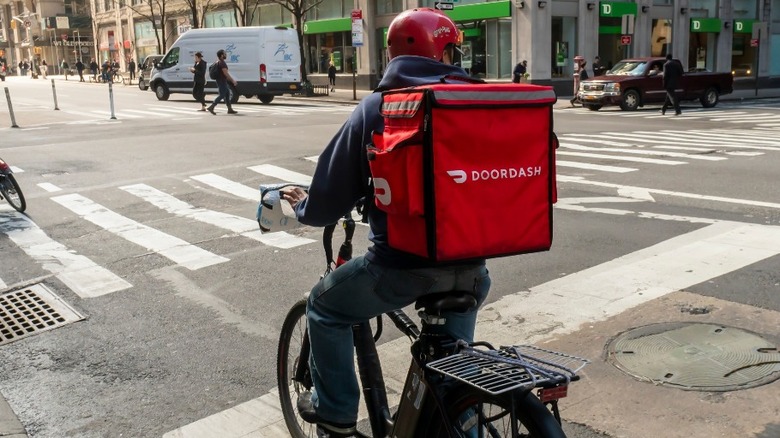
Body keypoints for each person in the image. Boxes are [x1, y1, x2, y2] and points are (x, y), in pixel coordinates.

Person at [279, 8, 490, 437]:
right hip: (473, 270)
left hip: (401, 270)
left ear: (394, 51)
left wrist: (302, 206)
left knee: (324, 307)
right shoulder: (479, 102)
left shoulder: (381, 107)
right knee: (452, 377)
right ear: (445, 51)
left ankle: (336, 416)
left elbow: (325, 201)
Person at [206, 49, 238, 115]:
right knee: (222, 95)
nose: (226, 55)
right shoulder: (222, 63)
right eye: (224, 54)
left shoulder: (217, 62)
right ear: (221, 55)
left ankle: (229, 109)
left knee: (227, 94)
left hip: (221, 81)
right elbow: (226, 73)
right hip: (221, 81)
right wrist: (233, 81)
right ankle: (211, 107)